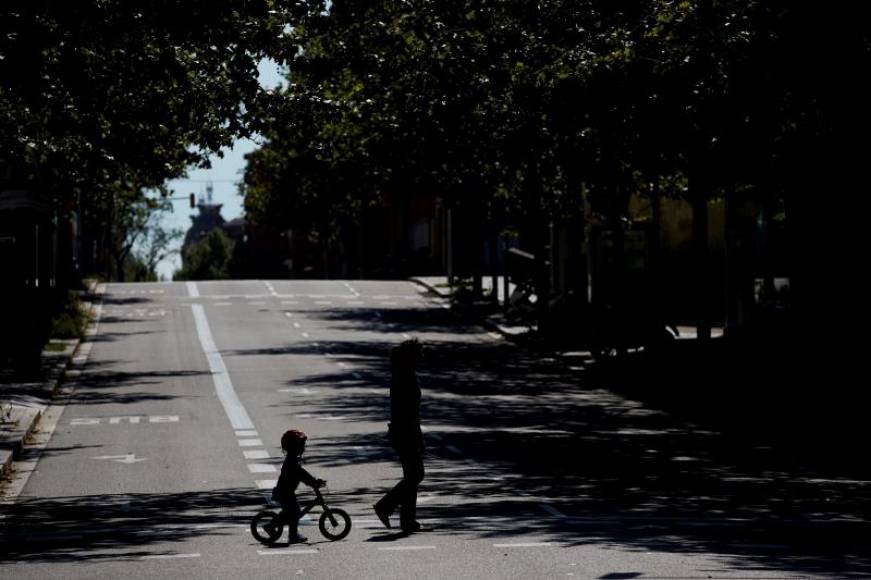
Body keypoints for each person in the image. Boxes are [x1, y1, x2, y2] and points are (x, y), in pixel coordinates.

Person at [374, 338, 426, 533]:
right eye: (419, 353)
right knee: (416, 475)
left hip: (399, 430)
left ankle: (408, 521)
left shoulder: (399, 374)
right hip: (405, 432)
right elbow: (411, 413)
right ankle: (385, 506)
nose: (422, 357)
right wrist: (418, 436)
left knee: (411, 476)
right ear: (411, 356)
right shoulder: (407, 377)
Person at [271, 429, 325, 543]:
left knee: (291, 512)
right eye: (300, 445)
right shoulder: (291, 462)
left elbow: (302, 474)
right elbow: (301, 474)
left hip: (286, 492)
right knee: (294, 512)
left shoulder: (293, 460)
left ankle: (279, 525)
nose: (303, 448)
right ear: (292, 447)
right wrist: (313, 482)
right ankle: (291, 534)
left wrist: (313, 481)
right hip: (284, 493)